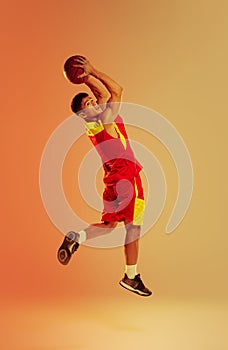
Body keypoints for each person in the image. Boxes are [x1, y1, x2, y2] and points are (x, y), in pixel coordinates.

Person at [57, 56, 152, 297]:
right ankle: (131, 277)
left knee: (110, 225)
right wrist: (93, 71)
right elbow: (116, 91)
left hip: (112, 180)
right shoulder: (106, 120)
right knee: (133, 228)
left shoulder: (92, 125)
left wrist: (85, 77)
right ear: (86, 113)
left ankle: (76, 236)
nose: (94, 102)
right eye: (89, 104)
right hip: (128, 178)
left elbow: (101, 96)